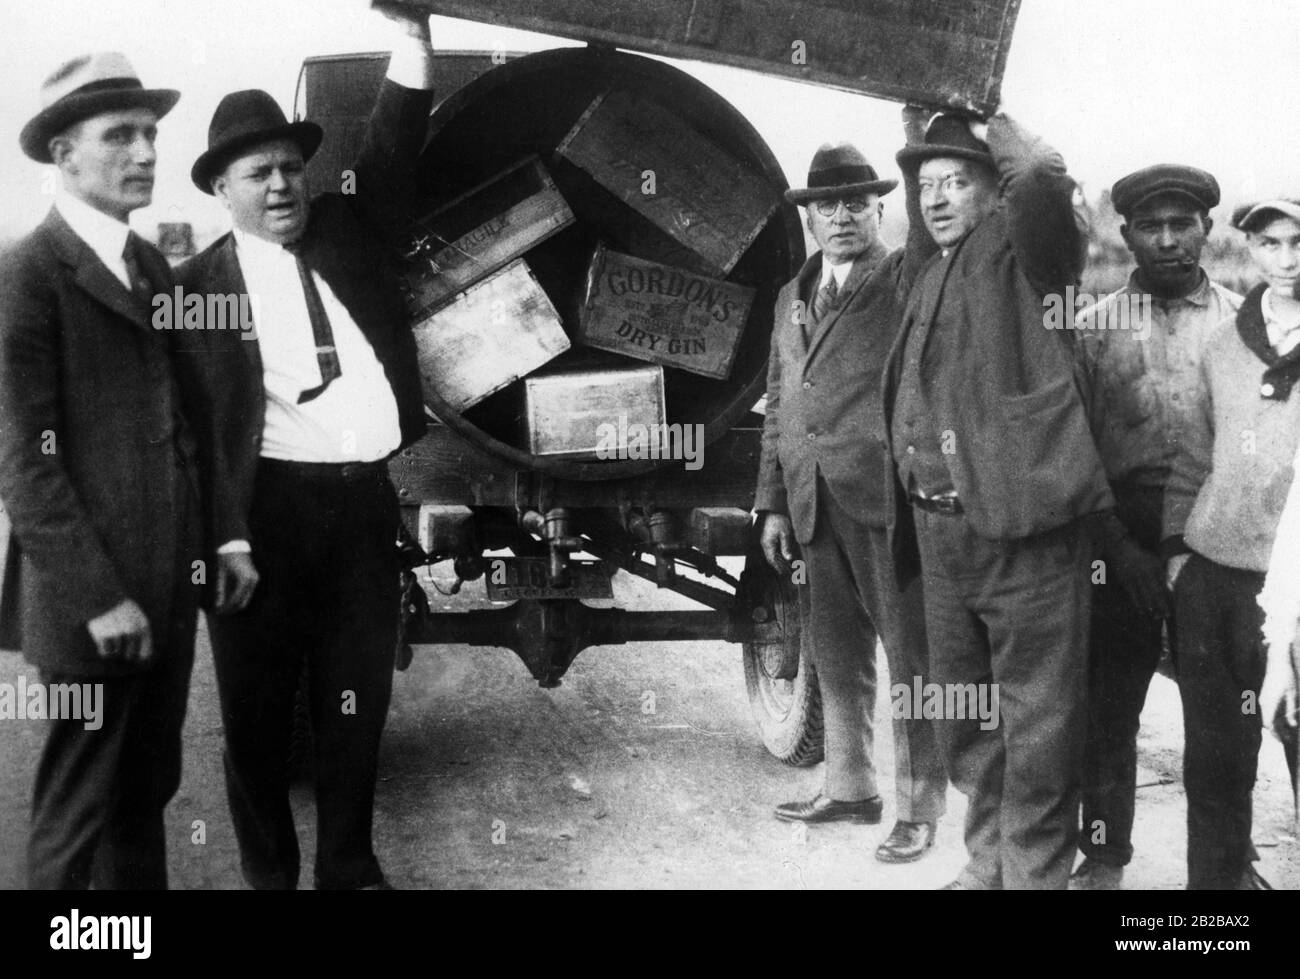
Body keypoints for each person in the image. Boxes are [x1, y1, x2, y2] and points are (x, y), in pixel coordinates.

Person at [177, 4, 433, 890]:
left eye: (291, 167)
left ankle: (350, 869)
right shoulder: (195, 290)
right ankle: (269, 879)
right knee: (253, 721)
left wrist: (415, 34)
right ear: (222, 189)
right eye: (259, 174)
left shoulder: (348, 231)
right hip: (261, 522)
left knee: (354, 702)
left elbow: (394, 148)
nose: (282, 186)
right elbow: (181, 427)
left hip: (361, 508)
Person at [882, 111, 1113, 889]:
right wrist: (919, 118)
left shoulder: (1032, 254)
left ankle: (1035, 877)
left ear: (993, 187)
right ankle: (988, 868)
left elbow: (1042, 178)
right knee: (967, 721)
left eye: (957, 180)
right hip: (942, 537)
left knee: (1039, 734)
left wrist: (993, 121)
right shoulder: (930, 268)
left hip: (1026, 535)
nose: (937, 199)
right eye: (925, 186)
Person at [0, 53, 200, 888]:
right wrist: (98, 596)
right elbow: (24, 465)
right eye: (120, 135)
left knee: (143, 793)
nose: (146, 153)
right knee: (75, 811)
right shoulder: (27, 274)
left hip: (162, 587)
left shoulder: (148, 265)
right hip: (95, 602)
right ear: (62, 155)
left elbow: (179, 421)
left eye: (151, 134)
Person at [755, 112, 948, 864]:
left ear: (878, 209)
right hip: (811, 502)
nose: (840, 217)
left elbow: (934, 243)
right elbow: (780, 399)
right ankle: (851, 786)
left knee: (913, 660)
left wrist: (918, 127)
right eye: (826, 206)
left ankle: (920, 808)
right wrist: (772, 499)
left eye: (857, 204)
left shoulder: (904, 276)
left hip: (886, 501)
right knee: (836, 655)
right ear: (808, 216)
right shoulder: (789, 295)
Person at [1070, 165, 1241, 889]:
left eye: (1183, 224)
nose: (1169, 240)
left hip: (1220, 543)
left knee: (1222, 719)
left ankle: (1225, 872)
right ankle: (1104, 855)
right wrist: (1117, 549)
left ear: (1207, 229)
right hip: (1121, 539)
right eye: (1152, 226)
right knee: (1108, 709)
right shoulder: (1090, 327)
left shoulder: (1248, 324)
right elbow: (1073, 452)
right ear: (1127, 234)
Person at [1162, 198, 1300, 890]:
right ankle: (1214, 901)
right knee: (1216, 758)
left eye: (1299, 242)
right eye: (1271, 243)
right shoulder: (1224, 346)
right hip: (1216, 579)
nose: (1288, 259)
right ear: (1250, 249)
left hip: (1295, 590)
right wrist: (1181, 555)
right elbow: (1192, 454)